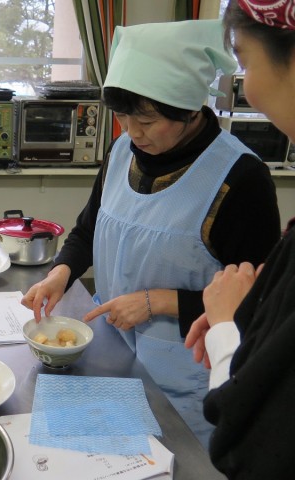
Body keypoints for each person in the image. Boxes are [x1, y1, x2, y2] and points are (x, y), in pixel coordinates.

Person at [21, 18, 281, 448]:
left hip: (189, 385)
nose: (132, 131)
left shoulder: (240, 179)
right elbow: (90, 226)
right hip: (113, 358)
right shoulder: (124, 150)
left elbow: (260, 303)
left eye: (147, 118)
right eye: (122, 115)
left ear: (190, 108)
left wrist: (158, 302)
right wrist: (61, 272)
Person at [184, 1, 295, 477]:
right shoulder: (122, 153)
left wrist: (229, 322)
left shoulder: (242, 175)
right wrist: (258, 311)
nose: (246, 83)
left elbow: (252, 440)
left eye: (246, 62)